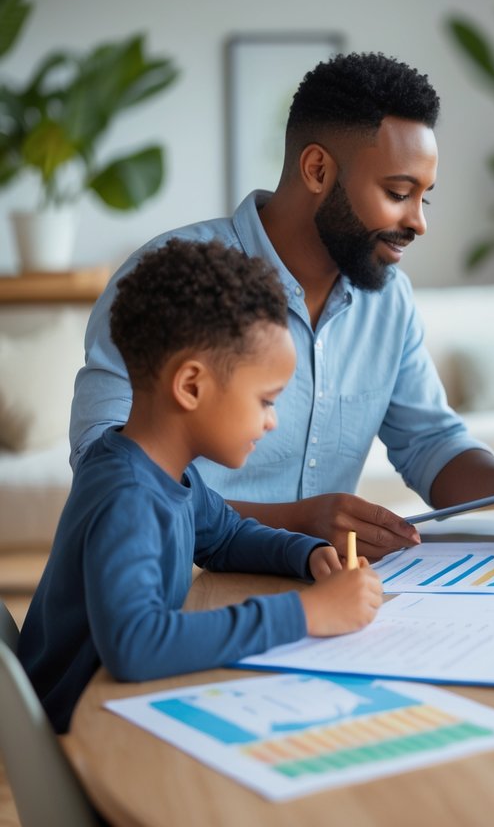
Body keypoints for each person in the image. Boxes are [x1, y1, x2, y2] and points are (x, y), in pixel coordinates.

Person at [69, 52, 494, 561]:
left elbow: (430, 442)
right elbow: (107, 470)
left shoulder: (389, 296)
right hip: (177, 580)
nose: (419, 222)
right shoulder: (170, 278)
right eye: (399, 193)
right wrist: (290, 523)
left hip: (319, 583)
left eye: (426, 197)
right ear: (318, 170)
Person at [19, 239, 384, 733]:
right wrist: (308, 612)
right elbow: (137, 645)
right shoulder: (126, 496)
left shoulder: (168, 472)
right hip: (84, 733)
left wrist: (307, 554)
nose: (272, 421)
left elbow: (227, 537)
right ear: (190, 385)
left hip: (119, 706)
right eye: (265, 400)